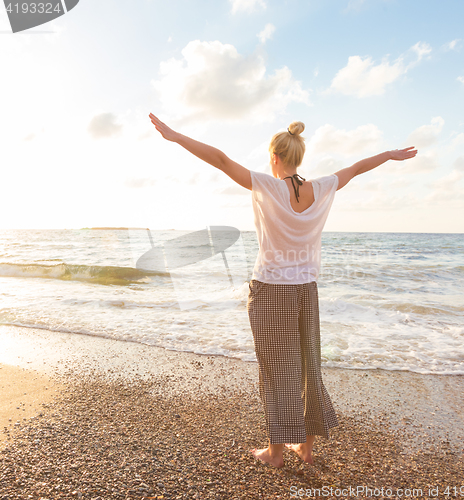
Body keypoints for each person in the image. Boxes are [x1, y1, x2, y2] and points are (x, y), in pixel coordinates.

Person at [149, 113, 417, 468]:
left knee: (276, 373)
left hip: (271, 290)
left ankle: (275, 453)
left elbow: (221, 159)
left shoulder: (266, 185)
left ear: (274, 157)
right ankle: (305, 448)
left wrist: (176, 136)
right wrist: (388, 154)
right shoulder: (321, 187)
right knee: (309, 368)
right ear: (298, 158)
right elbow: (356, 167)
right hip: (307, 290)